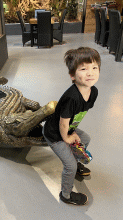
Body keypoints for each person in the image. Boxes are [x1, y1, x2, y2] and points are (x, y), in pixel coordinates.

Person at [43, 47, 101, 205]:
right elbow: (63, 122)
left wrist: (72, 134)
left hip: (69, 128)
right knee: (70, 166)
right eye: (83, 69)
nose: (90, 73)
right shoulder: (72, 97)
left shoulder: (93, 92)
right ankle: (66, 195)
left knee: (86, 139)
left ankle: (77, 162)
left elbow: (74, 118)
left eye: (94, 67)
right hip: (55, 134)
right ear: (72, 76)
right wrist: (67, 137)